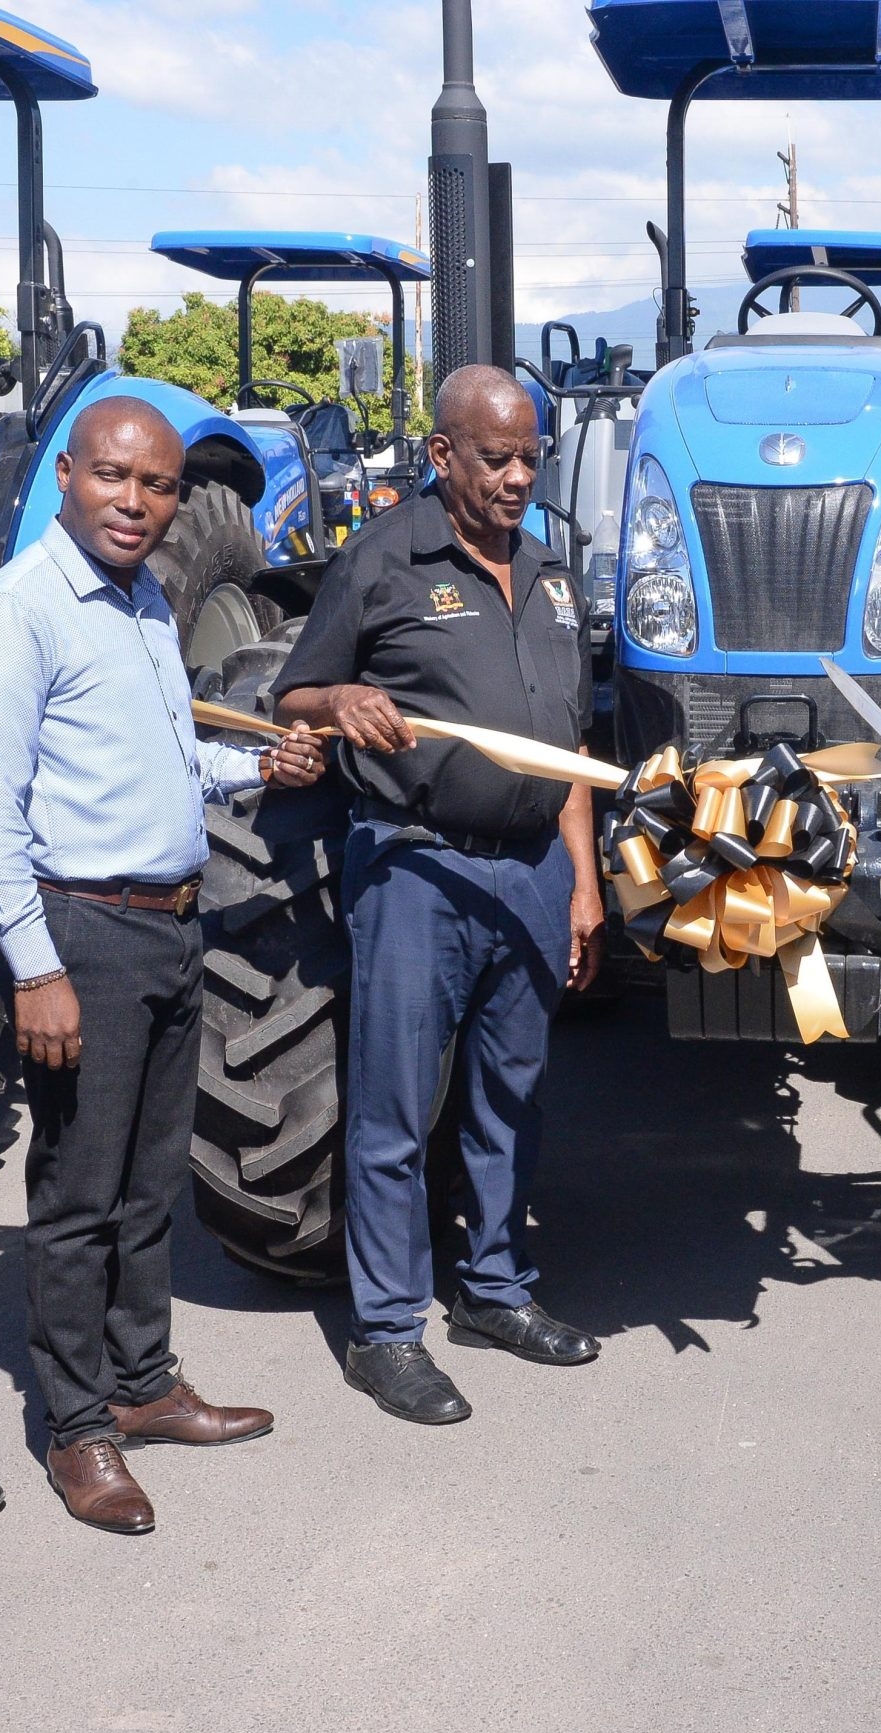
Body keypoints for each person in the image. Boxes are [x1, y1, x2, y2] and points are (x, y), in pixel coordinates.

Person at [0, 397, 322, 1533]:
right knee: (76, 1196)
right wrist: (32, 969)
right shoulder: (17, 612)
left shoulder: (143, 605)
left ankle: (145, 1382)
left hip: (171, 924)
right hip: (84, 936)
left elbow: (160, 759)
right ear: (68, 474)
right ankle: (78, 1430)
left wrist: (256, 767)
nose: (135, 502)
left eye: (156, 486)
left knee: (148, 1182)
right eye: (115, 478)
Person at [275, 365, 605, 1427]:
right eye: (495, 458)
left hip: (534, 869)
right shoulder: (380, 559)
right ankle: (385, 1333)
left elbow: (570, 748)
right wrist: (345, 696)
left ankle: (496, 1292)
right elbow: (296, 696)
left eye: (529, 457)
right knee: (394, 1110)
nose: (516, 478)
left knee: (509, 1096)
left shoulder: (553, 574)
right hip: (418, 866)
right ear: (441, 455)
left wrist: (583, 887)